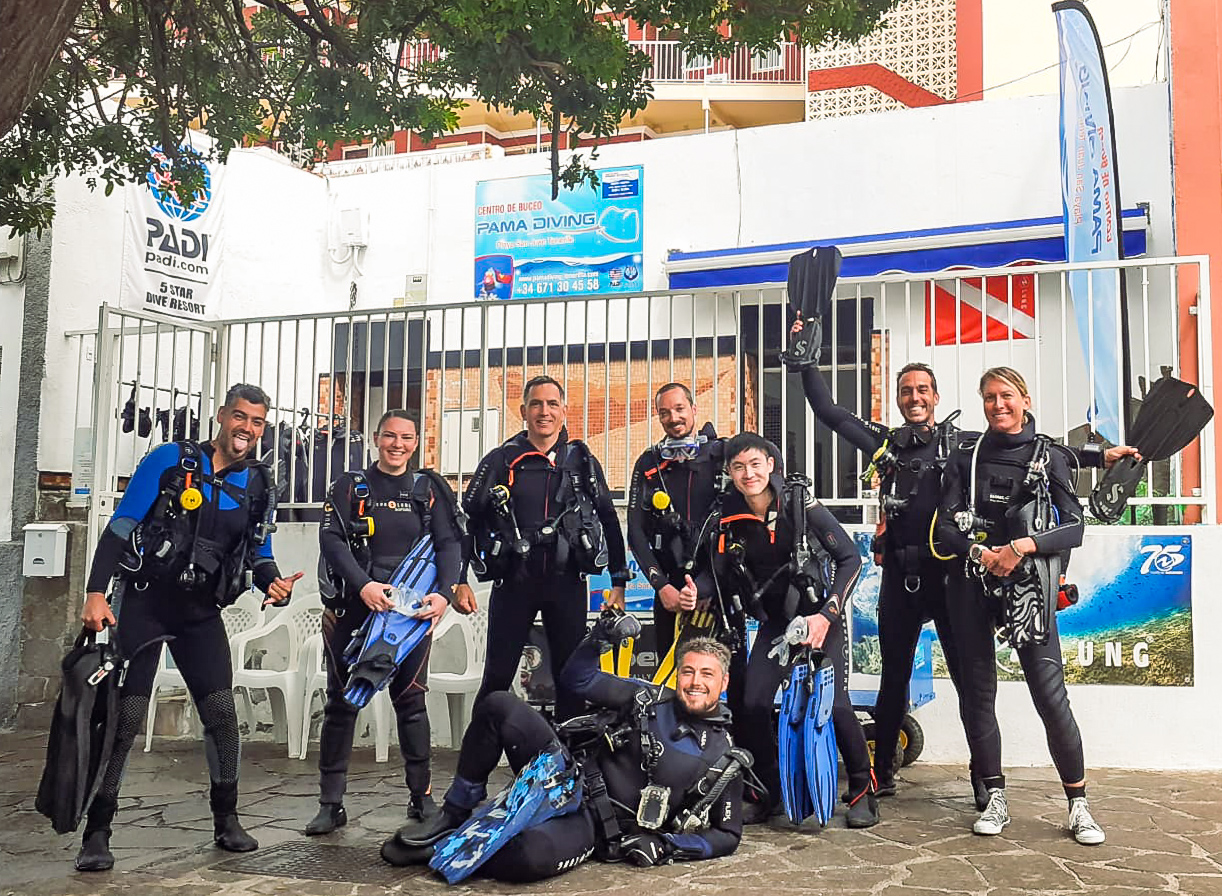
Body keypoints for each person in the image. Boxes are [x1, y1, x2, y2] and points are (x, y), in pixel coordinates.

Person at [789, 318, 1136, 802]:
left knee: (971, 687)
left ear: (936, 396)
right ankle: (881, 772)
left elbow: (1039, 449)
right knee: (893, 680)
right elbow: (828, 411)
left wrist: (1101, 458)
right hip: (902, 578)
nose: (915, 397)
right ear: (897, 397)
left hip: (952, 578)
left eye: (923, 389)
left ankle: (983, 783)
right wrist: (805, 358)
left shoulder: (966, 445)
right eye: (906, 390)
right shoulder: (885, 444)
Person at [76, 383, 303, 871]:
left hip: (202, 613)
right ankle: (98, 830)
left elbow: (258, 552)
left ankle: (226, 820)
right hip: (143, 604)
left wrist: (272, 582)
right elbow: (121, 525)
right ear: (222, 416)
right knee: (125, 719)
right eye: (240, 417)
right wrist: (96, 592)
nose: (247, 429)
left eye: (257, 422)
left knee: (222, 714)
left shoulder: (259, 484)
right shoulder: (170, 460)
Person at [380, 615, 745, 880]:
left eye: (706, 674)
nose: (695, 682)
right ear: (678, 674)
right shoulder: (650, 698)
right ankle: (455, 813)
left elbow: (727, 835)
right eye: (688, 672)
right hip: (563, 770)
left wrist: (666, 845)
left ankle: (451, 849)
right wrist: (601, 636)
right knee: (498, 705)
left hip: (593, 825)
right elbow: (577, 679)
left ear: (723, 682)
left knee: (529, 858)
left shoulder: (723, 757)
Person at [932, 366, 1105, 845]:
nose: (997, 405)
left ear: (1025, 398)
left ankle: (1078, 804)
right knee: (978, 697)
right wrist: (981, 553)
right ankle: (993, 797)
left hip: (1029, 588)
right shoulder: (966, 458)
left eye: (1006, 395)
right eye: (988, 397)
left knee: (1050, 698)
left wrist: (1021, 547)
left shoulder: (1049, 457)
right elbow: (945, 527)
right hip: (972, 582)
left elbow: (1074, 527)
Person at [305, 410, 464, 835]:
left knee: (411, 703)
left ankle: (422, 798)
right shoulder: (350, 486)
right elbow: (332, 540)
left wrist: (444, 593)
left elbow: (448, 543)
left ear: (417, 442)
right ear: (376, 438)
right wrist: (363, 587)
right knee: (341, 704)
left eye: (407, 438)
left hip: (409, 617)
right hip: (353, 610)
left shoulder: (427, 489)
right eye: (390, 436)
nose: (398, 444)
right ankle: (330, 803)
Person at [710, 431, 877, 827]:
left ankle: (861, 790)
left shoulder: (801, 503)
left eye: (755, 464)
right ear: (730, 473)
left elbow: (850, 558)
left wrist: (826, 616)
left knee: (835, 704)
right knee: (751, 703)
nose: (748, 473)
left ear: (771, 464)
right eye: (739, 467)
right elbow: (714, 575)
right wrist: (689, 590)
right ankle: (769, 792)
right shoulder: (727, 515)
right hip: (777, 625)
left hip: (821, 618)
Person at [460, 375, 630, 721]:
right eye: (536, 404)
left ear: (564, 410)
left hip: (566, 582)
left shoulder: (580, 461)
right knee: (497, 676)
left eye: (552, 404)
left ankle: (571, 761)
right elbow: (470, 520)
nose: (544, 411)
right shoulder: (500, 460)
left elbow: (609, 519)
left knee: (572, 677)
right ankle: (474, 769)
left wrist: (619, 583)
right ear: (523, 411)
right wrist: (459, 579)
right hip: (514, 582)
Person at [626, 382, 725, 661]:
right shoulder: (649, 462)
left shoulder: (721, 454)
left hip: (717, 586)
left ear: (694, 409)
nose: (673, 418)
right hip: (670, 590)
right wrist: (662, 588)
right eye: (664, 412)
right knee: (671, 674)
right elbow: (635, 532)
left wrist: (708, 587)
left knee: (724, 675)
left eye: (680, 409)